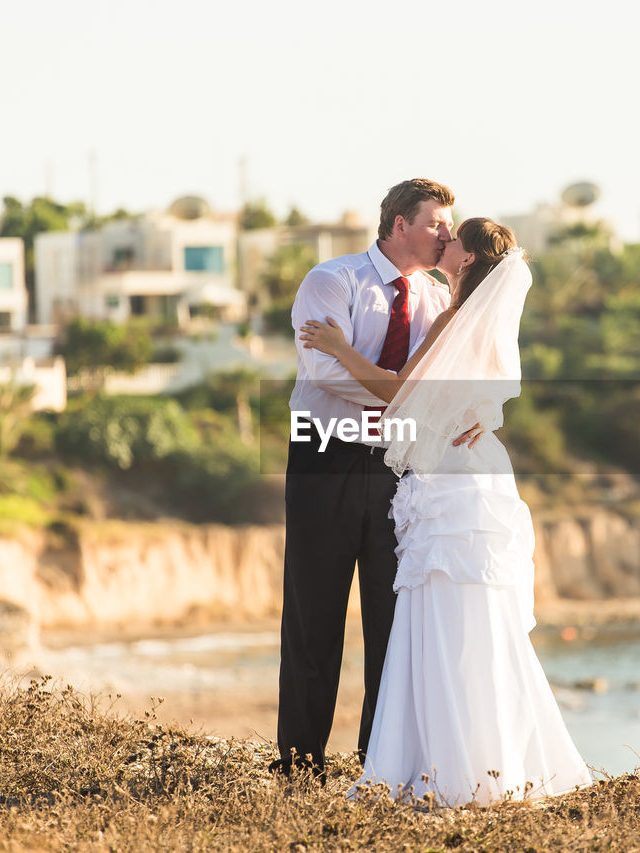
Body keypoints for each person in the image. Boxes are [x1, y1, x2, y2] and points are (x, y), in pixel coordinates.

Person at [298, 218, 591, 806]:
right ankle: (492, 760)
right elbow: (486, 394)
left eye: (452, 236)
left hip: (452, 479)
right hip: (478, 468)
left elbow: (399, 393)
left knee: (443, 609)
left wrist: (336, 348)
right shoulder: (480, 320)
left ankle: (445, 763)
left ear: (466, 258)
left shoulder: (456, 318)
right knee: (472, 611)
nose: (443, 240)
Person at [273, 178, 457, 777]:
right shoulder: (333, 280)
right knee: (314, 616)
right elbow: (327, 372)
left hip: (400, 469)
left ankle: (376, 766)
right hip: (324, 458)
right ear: (399, 223)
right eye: (435, 223)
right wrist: (406, 393)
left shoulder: (435, 298)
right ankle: (299, 767)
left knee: (391, 621)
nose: (445, 235)